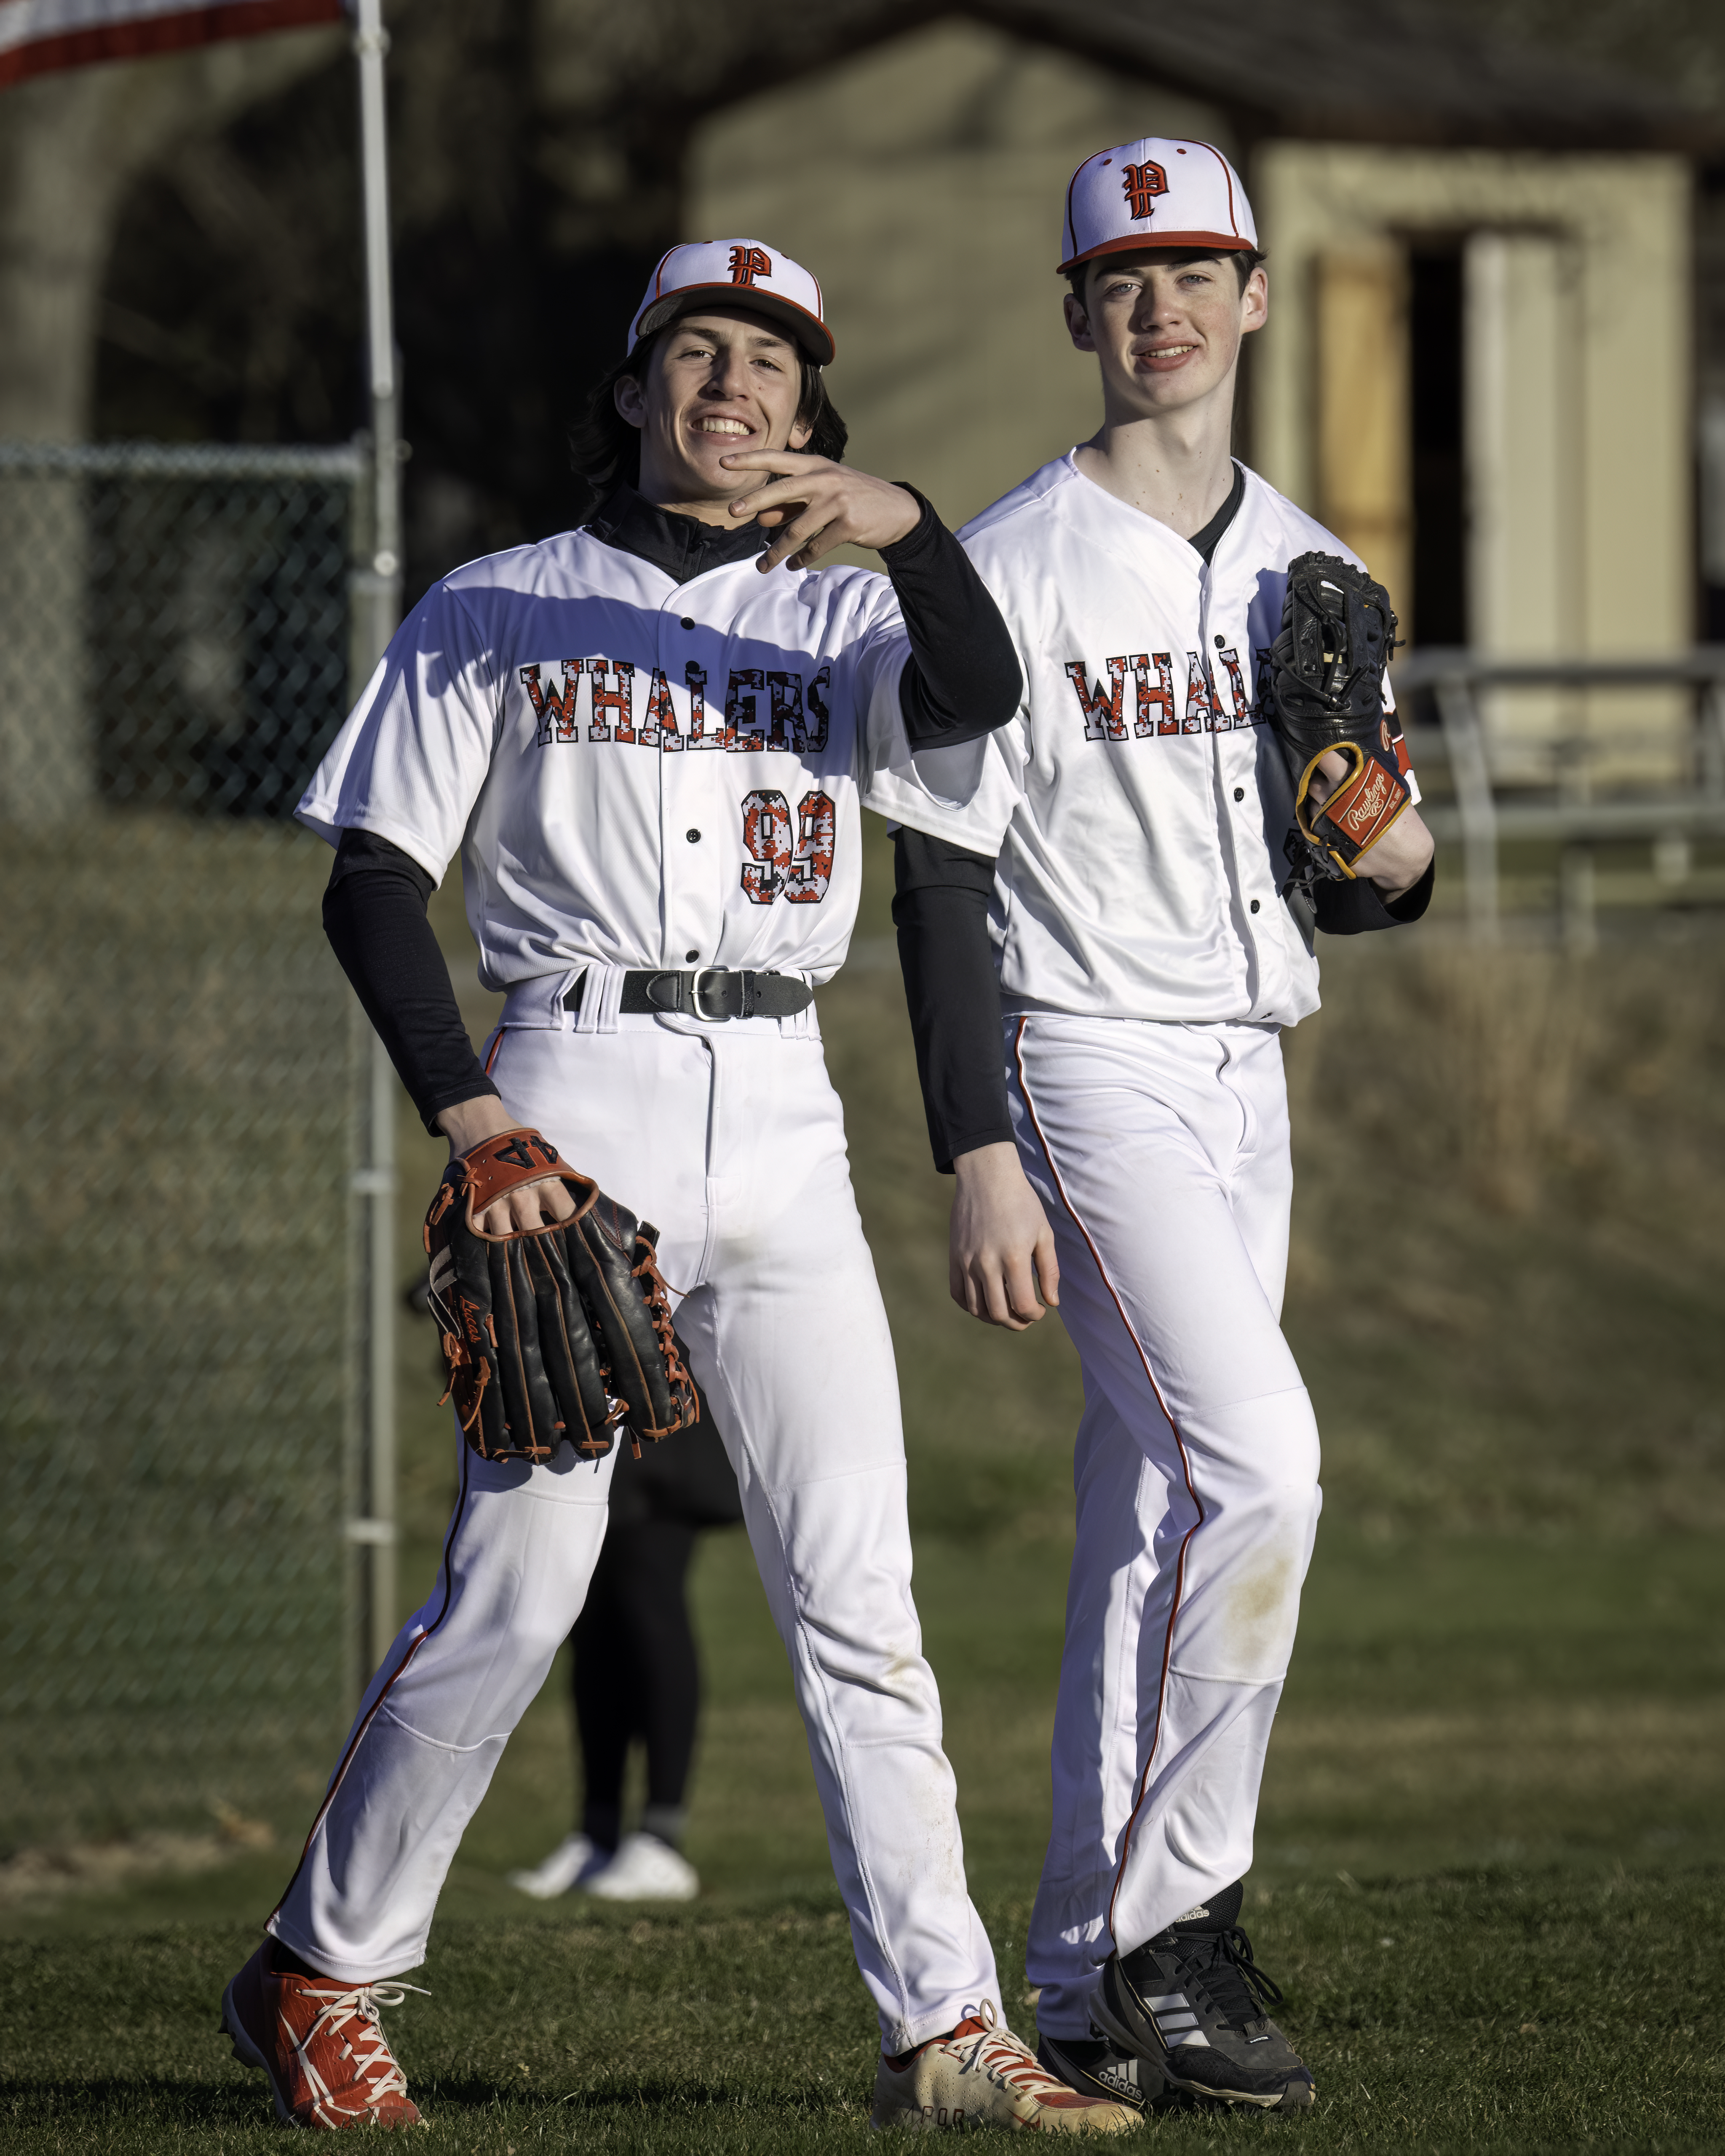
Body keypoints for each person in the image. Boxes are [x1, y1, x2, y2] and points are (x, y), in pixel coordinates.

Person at [216, 238, 1137, 2135]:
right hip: (574, 1083)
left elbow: (969, 695)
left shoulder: (848, 617)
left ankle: (944, 2029)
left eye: (771, 363)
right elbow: (373, 879)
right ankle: (321, 1967)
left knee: (858, 1591)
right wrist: (470, 1116)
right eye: (695, 353)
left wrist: (909, 527)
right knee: (524, 1574)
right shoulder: (498, 601)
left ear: (809, 412)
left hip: (784, 1096)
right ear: (634, 394)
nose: (733, 386)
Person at [866, 141, 1435, 2117]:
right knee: (1262, 1469)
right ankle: (1181, 1936)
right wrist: (978, 1148)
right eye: (1124, 278)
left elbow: (1370, 866)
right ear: (1080, 316)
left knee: (1147, 1525)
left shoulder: (1310, 562)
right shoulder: (1013, 561)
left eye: (1196, 269)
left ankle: (1078, 1975)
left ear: (1257, 296)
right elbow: (933, 875)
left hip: (1244, 1060)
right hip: (1079, 1053)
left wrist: (1390, 845)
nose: (1163, 306)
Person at [507, 1405, 743, 1904]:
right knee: (591, 1620)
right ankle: (598, 1834)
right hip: (590, 1402)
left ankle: (661, 1840)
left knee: (650, 1595)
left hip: (662, 1403)